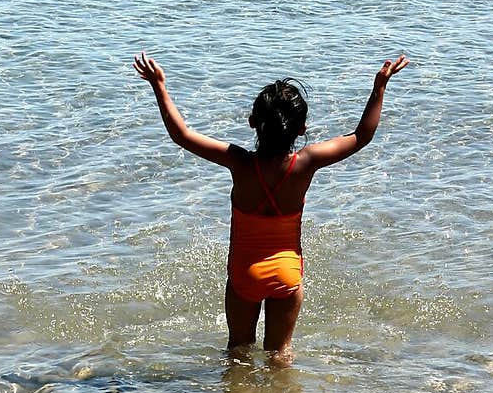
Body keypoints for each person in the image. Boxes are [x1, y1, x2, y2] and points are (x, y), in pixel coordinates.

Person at [133, 51, 408, 362]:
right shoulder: (307, 162)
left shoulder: (239, 162)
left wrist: (159, 86)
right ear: (301, 129)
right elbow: (361, 136)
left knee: (238, 352)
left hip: (244, 275)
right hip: (287, 273)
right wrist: (380, 86)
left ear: (252, 123)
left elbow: (181, 135)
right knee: (280, 355)